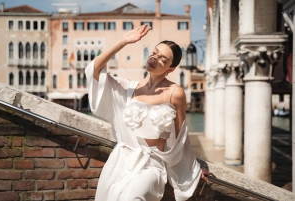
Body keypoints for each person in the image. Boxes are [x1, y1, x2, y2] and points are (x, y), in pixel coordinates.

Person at [85, 24, 215, 201]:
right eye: (154, 53)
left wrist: (193, 169)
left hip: (152, 165)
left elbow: (180, 138)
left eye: (162, 59)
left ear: (171, 69)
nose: (154, 58)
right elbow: (94, 70)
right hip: (120, 161)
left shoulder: (175, 93)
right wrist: (123, 42)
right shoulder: (127, 89)